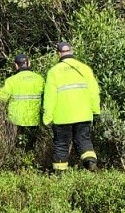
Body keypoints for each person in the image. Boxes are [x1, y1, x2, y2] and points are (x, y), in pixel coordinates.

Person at [43, 41, 101, 172]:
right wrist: (95, 110)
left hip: (62, 116)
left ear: (58, 54)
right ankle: (91, 163)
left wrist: (47, 117)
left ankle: (59, 174)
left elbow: (50, 97)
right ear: (72, 51)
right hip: (84, 114)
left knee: (61, 145)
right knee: (84, 141)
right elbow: (94, 91)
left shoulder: (54, 72)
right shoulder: (85, 68)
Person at [0, 54, 44, 150]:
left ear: (16, 65)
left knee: (17, 148)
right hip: (34, 120)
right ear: (29, 63)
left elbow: (1, 98)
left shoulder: (11, 81)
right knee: (31, 149)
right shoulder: (40, 79)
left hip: (16, 121)